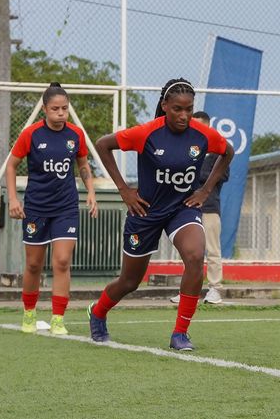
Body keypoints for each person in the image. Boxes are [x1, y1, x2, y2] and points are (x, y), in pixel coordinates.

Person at [87, 78, 233, 350]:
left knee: (195, 255)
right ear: (165, 106)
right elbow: (103, 144)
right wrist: (124, 190)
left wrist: (204, 191)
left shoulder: (202, 135)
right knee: (130, 281)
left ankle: (180, 333)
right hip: (145, 211)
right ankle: (98, 311)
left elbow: (228, 152)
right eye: (177, 109)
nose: (184, 115)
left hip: (181, 209)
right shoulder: (146, 133)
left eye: (189, 109)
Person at [6, 82, 98, 335]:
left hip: (66, 206)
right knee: (34, 264)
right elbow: (11, 166)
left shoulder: (76, 135)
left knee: (62, 261)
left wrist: (90, 191)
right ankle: (29, 313)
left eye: (64, 109)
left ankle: (58, 318)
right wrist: (14, 199)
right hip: (36, 207)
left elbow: (83, 165)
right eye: (55, 108)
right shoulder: (31, 134)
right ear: (45, 109)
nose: (60, 113)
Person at [170, 110, 229, 305]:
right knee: (188, 251)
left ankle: (215, 289)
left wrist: (197, 175)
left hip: (209, 207)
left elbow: (222, 175)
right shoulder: (184, 148)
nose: (192, 127)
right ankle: (186, 291)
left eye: (197, 124)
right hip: (186, 209)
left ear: (207, 126)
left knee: (212, 249)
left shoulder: (217, 150)